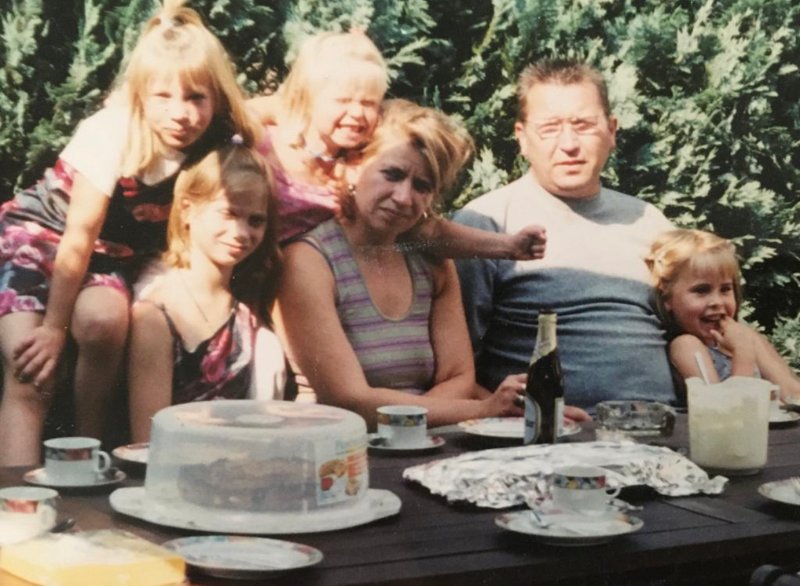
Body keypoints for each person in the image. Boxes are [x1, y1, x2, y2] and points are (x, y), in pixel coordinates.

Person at [0, 0, 260, 465]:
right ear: (139, 94)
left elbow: (272, 110)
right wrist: (55, 329)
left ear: (217, 98)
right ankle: (16, 496)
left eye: (196, 97)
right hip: (40, 236)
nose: (181, 113)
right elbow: (78, 235)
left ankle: (87, 455)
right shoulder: (113, 131)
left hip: (108, 254)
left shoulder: (218, 140)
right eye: (163, 97)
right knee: (31, 366)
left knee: (103, 321)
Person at [274, 99, 589, 427]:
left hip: (429, 437)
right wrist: (484, 410)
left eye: (422, 186)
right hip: (339, 442)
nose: (403, 197)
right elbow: (349, 400)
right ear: (354, 166)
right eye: (392, 174)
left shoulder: (428, 257)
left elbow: (459, 378)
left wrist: (521, 411)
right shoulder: (309, 261)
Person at [454, 58, 676, 409]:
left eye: (583, 125)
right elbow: (453, 371)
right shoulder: (486, 224)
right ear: (522, 138)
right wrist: (517, 413)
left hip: (664, 425)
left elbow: (699, 334)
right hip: (547, 431)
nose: (569, 144)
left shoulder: (650, 222)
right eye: (550, 128)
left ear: (612, 131)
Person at [249, 30, 547, 258]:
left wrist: (507, 245)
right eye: (343, 100)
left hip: (301, 286)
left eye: (368, 102)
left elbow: (429, 232)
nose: (357, 113)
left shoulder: (358, 164)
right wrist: (276, 108)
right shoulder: (265, 144)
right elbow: (231, 112)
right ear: (308, 98)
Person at [128, 141, 285, 442]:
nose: (241, 233)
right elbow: (147, 442)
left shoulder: (248, 310)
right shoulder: (155, 315)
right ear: (187, 210)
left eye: (255, 220)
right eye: (228, 213)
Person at [647, 228, 800, 399]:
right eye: (701, 290)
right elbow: (722, 408)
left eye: (725, 289)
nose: (717, 302)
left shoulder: (742, 336)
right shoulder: (686, 346)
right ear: (667, 299)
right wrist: (743, 352)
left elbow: (793, 393)